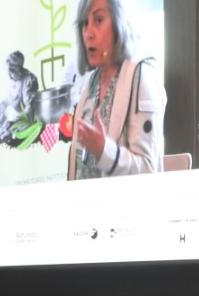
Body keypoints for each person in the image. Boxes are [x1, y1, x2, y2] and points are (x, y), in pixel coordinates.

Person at [67, 0, 166, 180]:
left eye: (98, 20)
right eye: (84, 23)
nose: (88, 33)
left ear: (121, 21)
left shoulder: (142, 75)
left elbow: (148, 169)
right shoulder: (91, 83)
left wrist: (104, 151)